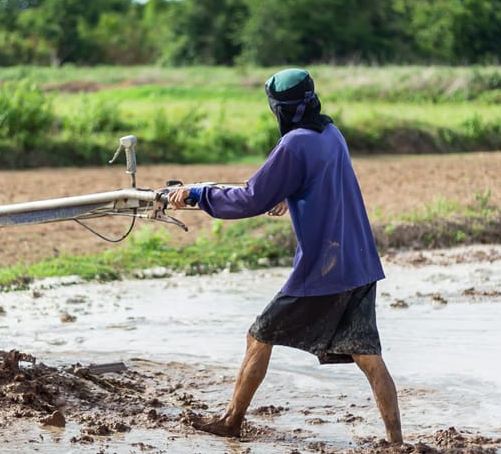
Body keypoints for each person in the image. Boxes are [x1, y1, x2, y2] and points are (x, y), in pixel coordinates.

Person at [167, 68, 403, 444]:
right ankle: (396, 442)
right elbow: (315, 181)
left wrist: (197, 194)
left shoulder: (294, 145)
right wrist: (285, 192)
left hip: (323, 271)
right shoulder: (330, 133)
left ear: (280, 108)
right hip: (359, 262)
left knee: (259, 336)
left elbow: (249, 198)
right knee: (368, 356)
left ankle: (231, 421)